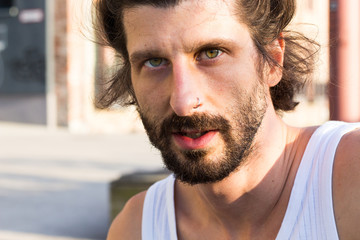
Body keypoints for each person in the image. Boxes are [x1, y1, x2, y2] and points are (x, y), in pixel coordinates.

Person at [94, 0, 360, 239]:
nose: (183, 103)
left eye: (211, 53)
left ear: (272, 61)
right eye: (154, 62)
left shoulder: (350, 182)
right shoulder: (136, 228)